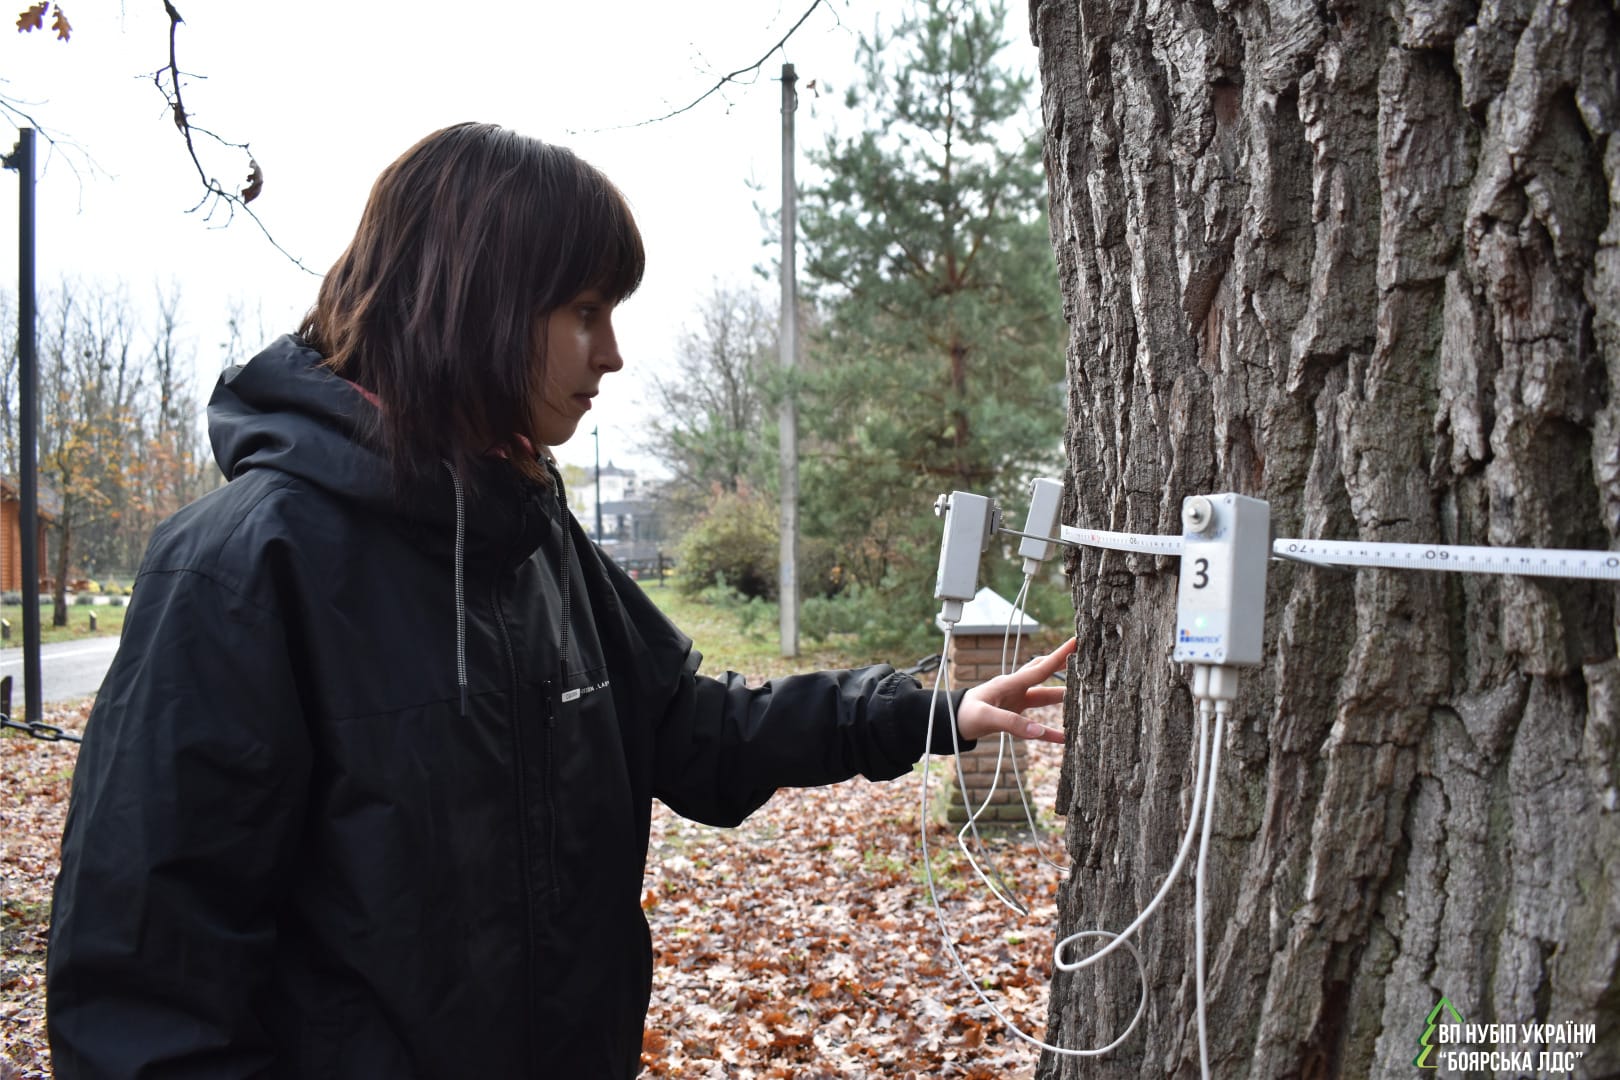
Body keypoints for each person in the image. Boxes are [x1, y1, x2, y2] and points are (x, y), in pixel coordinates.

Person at [45, 122, 1073, 1079]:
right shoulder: (243, 565)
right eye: (585, 312)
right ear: (475, 301)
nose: (612, 353)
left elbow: (697, 731)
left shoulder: (534, 542)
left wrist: (931, 709)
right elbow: (146, 983)